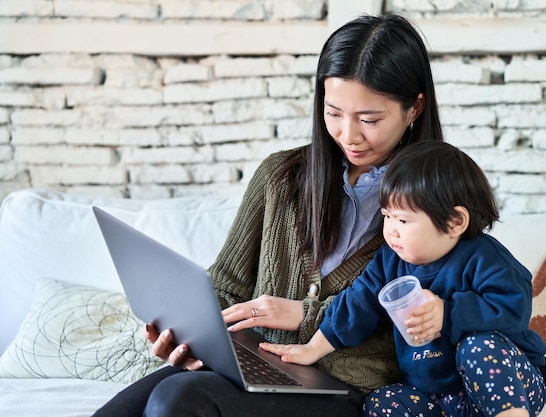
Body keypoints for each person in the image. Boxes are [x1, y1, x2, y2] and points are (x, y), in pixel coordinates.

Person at [92, 12, 444, 417]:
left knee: (176, 401)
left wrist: (306, 316)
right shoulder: (279, 177)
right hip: (253, 368)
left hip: (347, 390)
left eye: (370, 119)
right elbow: (226, 288)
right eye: (333, 113)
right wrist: (189, 338)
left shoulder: (438, 202)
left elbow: (428, 327)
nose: (349, 135)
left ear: (414, 108)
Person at [260, 141, 546, 417]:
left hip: (511, 387)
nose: (391, 231)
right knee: (381, 403)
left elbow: (514, 309)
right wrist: (312, 349)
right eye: (387, 216)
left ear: (455, 222)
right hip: (439, 397)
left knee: (478, 349)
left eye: (404, 220)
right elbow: (355, 305)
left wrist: (447, 314)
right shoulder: (390, 262)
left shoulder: (484, 258)